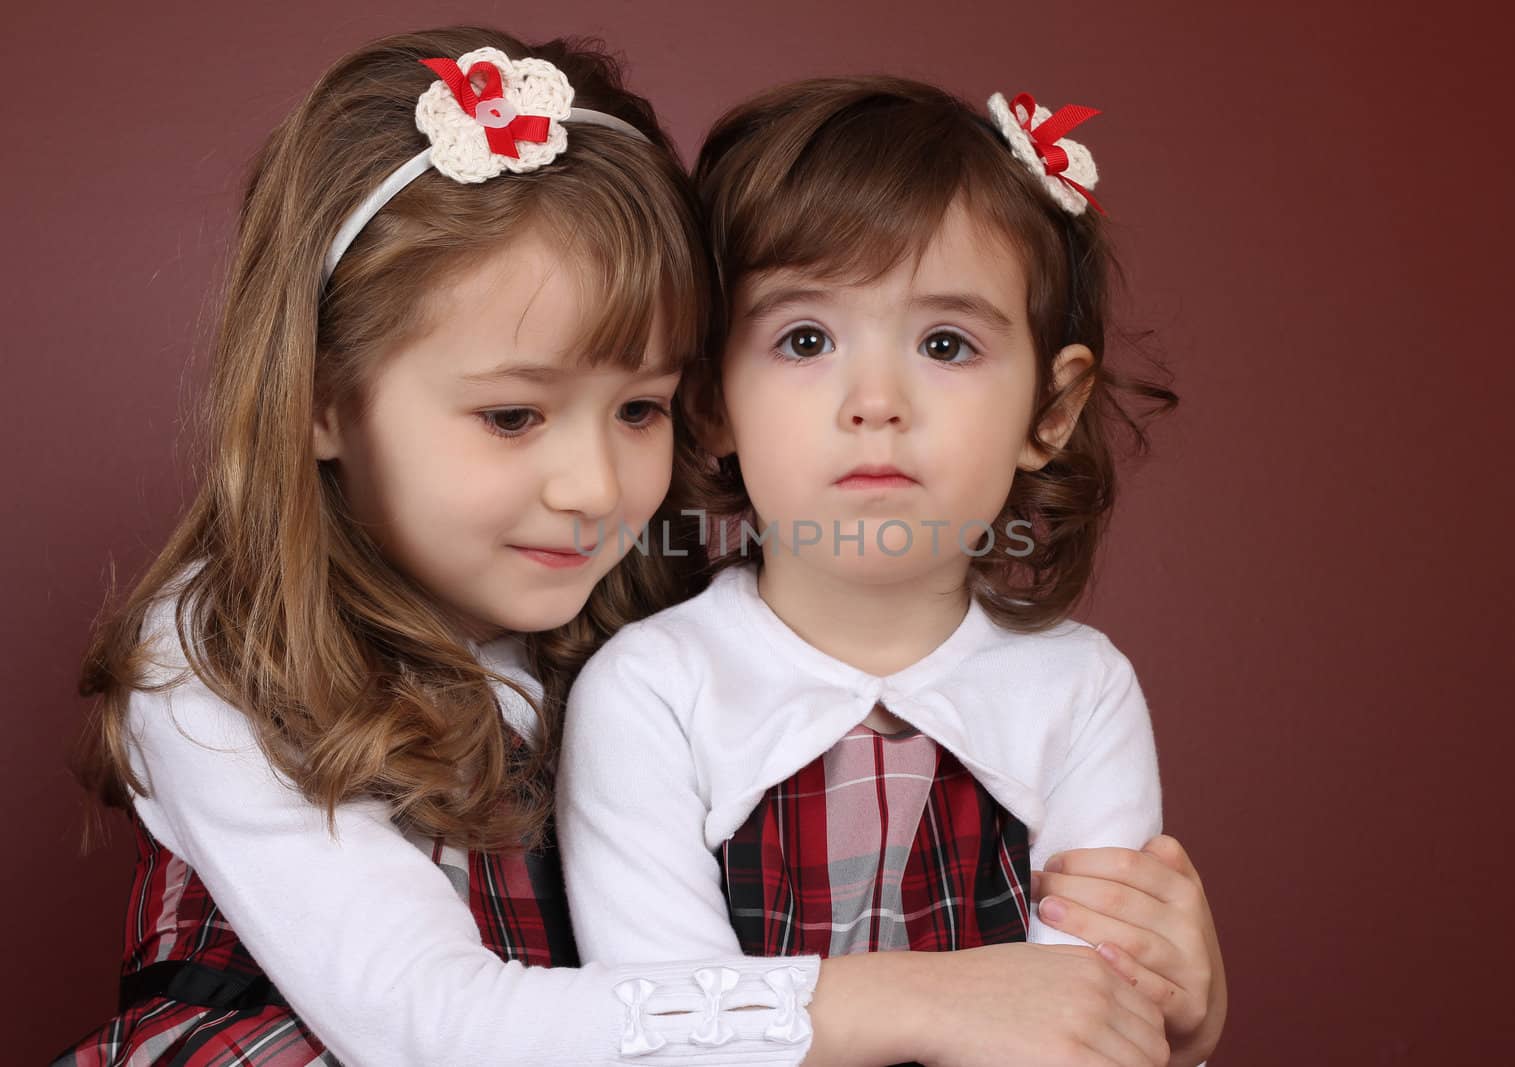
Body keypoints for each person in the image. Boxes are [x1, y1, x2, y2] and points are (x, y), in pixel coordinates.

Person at [60, 31, 1176, 1067]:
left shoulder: (647, 622)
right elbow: (428, 1024)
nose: (596, 486)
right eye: (512, 416)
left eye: (641, 408)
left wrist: (1162, 993)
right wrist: (924, 1000)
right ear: (319, 398)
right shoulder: (222, 662)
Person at [558, 77, 1225, 1066]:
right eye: (805, 340)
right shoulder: (653, 691)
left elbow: (1086, 1026)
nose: (875, 399)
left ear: (1050, 408)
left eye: (945, 343)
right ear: (710, 405)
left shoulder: (1079, 692)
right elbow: (668, 1034)